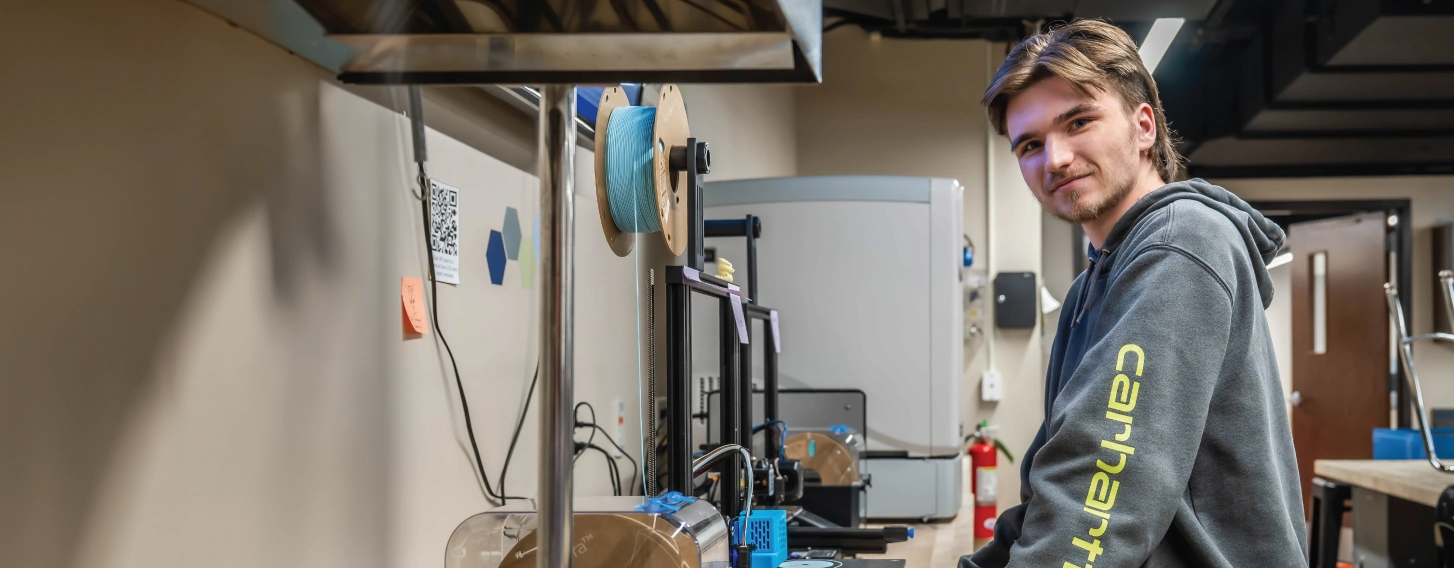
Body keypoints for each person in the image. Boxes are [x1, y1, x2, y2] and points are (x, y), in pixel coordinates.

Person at [960, 20, 1307, 568]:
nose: (1054, 159)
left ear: (1143, 126)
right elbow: (1055, 476)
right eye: (1030, 144)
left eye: (1078, 122)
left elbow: (1099, 477)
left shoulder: (1178, 245)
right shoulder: (1089, 290)